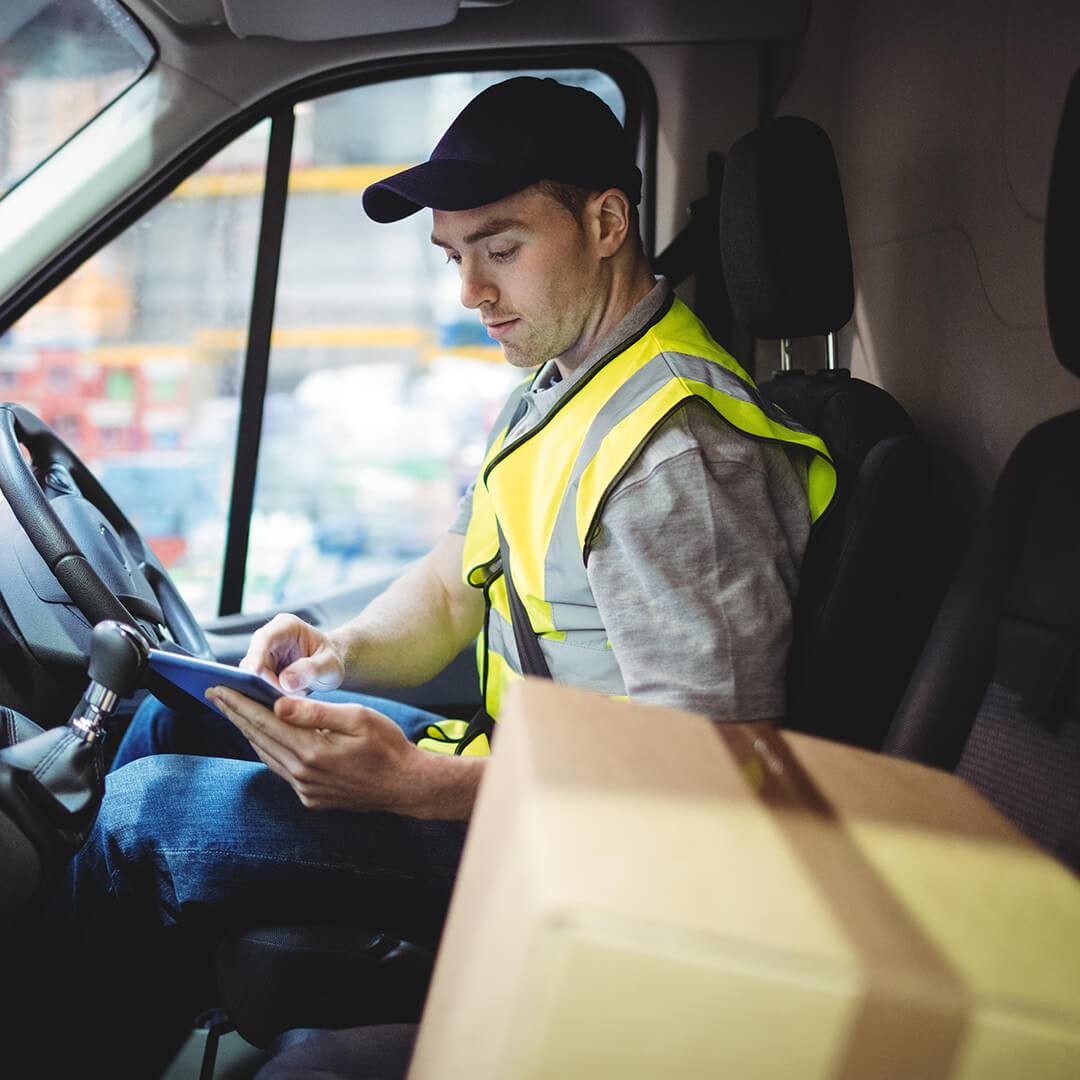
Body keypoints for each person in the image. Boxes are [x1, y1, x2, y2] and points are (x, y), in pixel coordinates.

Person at [23, 76, 834, 1075]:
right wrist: (339, 648)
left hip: (605, 863)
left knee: (140, 815)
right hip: (529, 774)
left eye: (501, 247)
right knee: (173, 714)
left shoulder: (676, 456)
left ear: (607, 220)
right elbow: (459, 580)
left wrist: (417, 786)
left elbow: (710, 785)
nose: (471, 292)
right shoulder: (568, 382)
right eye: (454, 257)